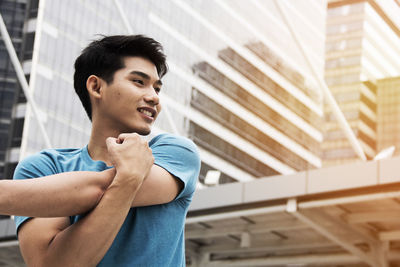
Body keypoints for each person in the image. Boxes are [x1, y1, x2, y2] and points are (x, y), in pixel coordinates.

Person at [13, 35, 200, 266]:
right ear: (96, 86)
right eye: (139, 82)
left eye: (157, 88)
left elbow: (97, 187)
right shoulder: (42, 168)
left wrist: (127, 179)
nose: (154, 97)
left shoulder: (175, 153)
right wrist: (129, 179)